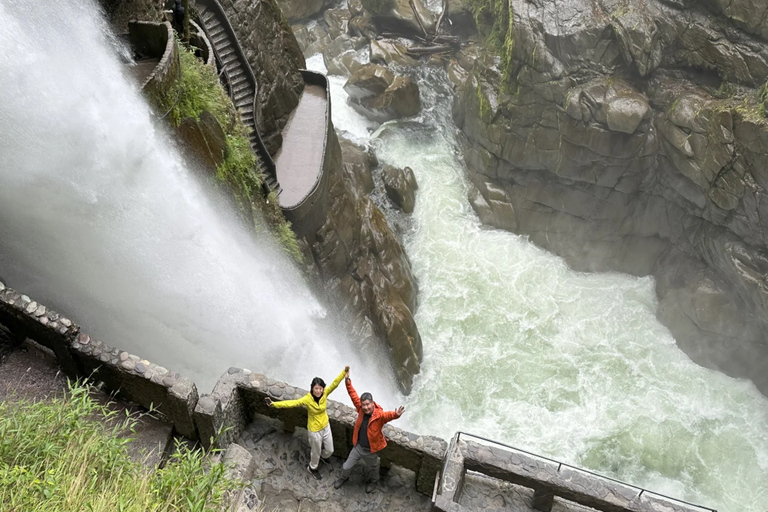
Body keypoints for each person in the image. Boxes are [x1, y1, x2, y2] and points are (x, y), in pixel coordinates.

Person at [266, 366, 348, 480]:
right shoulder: (307, 399)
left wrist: (344, 373)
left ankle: (323, 457)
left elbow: (334, 384)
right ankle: (312, 468)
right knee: (315, 452)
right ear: (312, 389)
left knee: (330, 450)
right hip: (314, 431)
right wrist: (274, 404)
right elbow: (293, 403)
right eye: (316, 388)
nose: (319, 391)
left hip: (325, 426)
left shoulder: (325, 394)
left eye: (320, 388)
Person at [333, 369, 404, 493]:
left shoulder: (379, 415)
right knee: (346, 466)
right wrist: (347, 381)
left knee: (374, 468)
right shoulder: (360, 409)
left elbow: (388, 416)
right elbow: (353, 395)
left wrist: (396, 414)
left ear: (372, 403)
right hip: (358, 447)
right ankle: (344, 478)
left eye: (367, 404)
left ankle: (374, 482)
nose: (365, 407)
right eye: (363, 405)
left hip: (371, 450)